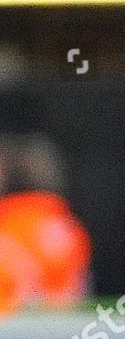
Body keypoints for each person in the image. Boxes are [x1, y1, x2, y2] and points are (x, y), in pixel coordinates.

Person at [0, 135, 91, 314]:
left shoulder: (6, 227)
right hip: (66, 334)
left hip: (11, 334)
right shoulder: (71, 229)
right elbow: (81, 292)